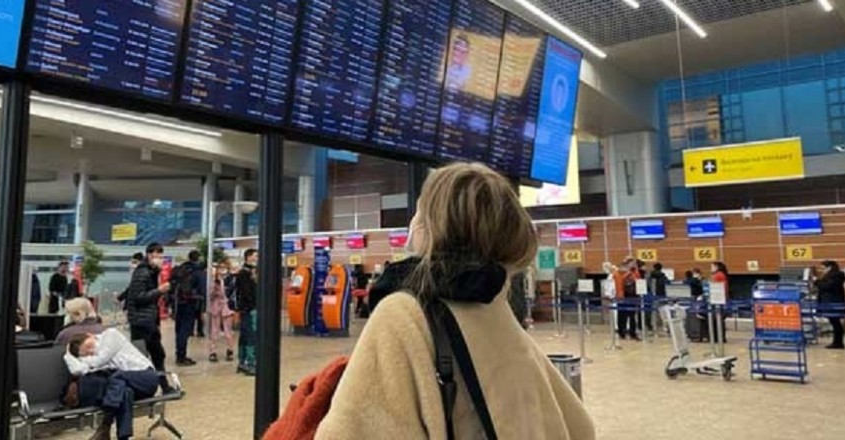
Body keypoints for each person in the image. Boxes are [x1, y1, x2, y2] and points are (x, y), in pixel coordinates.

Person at [316, 163, 594, 439]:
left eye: (420, 212)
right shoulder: (498, 313)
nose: (413, 222)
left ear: (434, 228)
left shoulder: (403, 313)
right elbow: (580, 426)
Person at [65, 328, 178, 440]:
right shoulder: (94, 357)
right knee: (125, 392)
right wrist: (68, 355)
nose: (90, 351)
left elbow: (100, 360)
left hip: (147, 377)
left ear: (90, 335)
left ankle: (106, 424)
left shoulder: (110, 335)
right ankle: (124, 437)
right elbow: (77, 370)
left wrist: (83, 360)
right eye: (86, 353)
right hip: (129, 386)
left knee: (116, 377)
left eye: (88, 346)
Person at [126, 243, 170, 372]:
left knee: (158, 354)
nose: (161, 260)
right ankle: (145, 386)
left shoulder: (152, 272)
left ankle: (164, 385)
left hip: (149, 320)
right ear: (150, 255)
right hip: (141, 321)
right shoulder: (142, 272)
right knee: (142, 356)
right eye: (158, 256)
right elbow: (138, 297)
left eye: (162, 257)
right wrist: (159, 291)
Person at [171, 250, 201, 366]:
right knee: (185, 331)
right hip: (190, 303)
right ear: (198, 259)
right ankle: (181, 357)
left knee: (179, 331)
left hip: (178, 303)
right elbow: (202, 290)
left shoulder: (179, 269)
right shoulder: (196, 271)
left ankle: (179, 355)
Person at [207, 260, 235, 363]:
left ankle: (230, 349)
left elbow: (231, 292)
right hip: (215, 307)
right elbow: (210, 294)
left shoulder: (231, 279)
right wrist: (215, 287)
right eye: (220, 268)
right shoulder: (214, 280)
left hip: (227, 307)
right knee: (214, 330)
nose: (222, 270)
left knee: (228, 330)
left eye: (224, 268)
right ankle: (212, 351)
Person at [236, 249, 258, 375]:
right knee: (251, 336)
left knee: (244, 335)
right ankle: (251, 363)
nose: (257, 258)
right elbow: (247, 293)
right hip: (250, 309)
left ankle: (242, 362)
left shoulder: (247, 272)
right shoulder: (245, 274)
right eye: (255, 256)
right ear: (248, 257)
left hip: (244, 309)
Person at [816, 260, 845, 349]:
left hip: (833, 302)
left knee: (835, 322)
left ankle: (838, 343)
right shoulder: (833, 275)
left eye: (823, 268)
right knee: (835, 322)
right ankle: (837, 342)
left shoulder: (836, 275)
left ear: (829, 267)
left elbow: (827, 287)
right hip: (830, 302)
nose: (822, 270)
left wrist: (817, 282)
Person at [613, 256, 641, 341]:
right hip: (622, 295)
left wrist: (634, 273)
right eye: (631, 263)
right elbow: (619, 281)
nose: (633, 264)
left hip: (633, 295)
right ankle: (622, 332)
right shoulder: (619, 272)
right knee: (622, 315)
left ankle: (633, 333)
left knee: (632, 315)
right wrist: (627, 274)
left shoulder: (634, 271)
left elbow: (638, 280)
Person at [709, 261, 730, 343]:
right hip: (720, 299)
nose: (711, 268)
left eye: (712, 266)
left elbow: (714, 287)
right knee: (719, 319)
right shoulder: (721, 275)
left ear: (717, 267)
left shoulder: (717, 275)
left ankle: (718, 337)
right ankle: (721, 337)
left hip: (717, 300)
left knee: (717, 319)